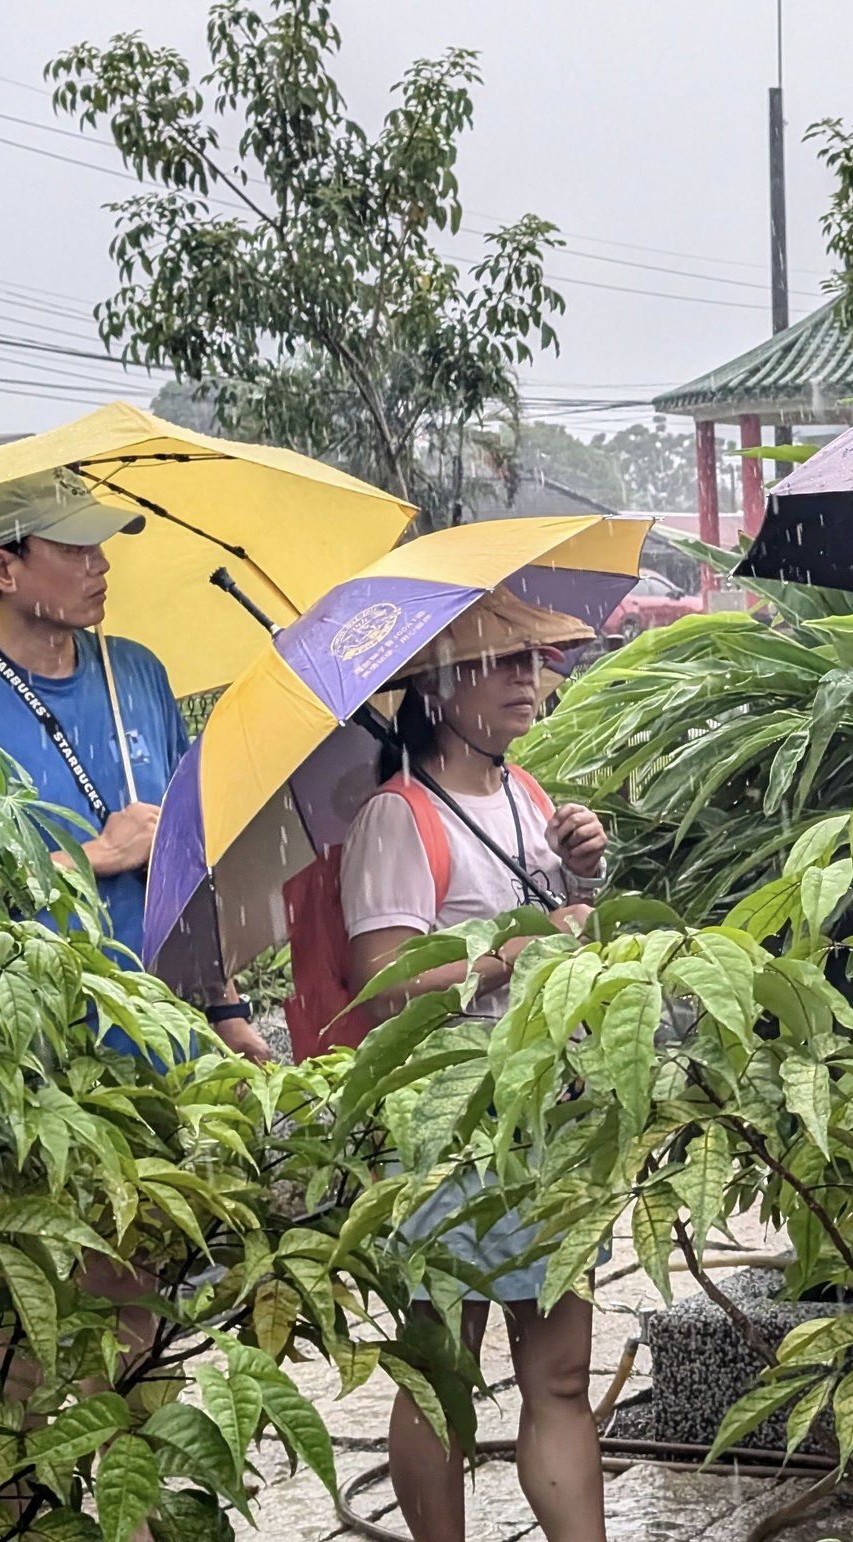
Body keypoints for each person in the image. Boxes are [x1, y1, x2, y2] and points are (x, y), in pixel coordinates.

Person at [339, 589, 611, 1542]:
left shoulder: (528, 795)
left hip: (550, 1116)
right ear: (434, 690)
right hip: (448, 1130)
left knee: (562, 1374)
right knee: (443, 1373)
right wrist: (521, 952)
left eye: (530, 661)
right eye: (499, 663)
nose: (526, 679)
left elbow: (564, 925)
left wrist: (581, 870)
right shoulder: (398, 818)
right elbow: (383, 981)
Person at [0, 468, 267, 1060]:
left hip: (172, 1035)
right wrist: (101, 856)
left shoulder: (136, 674)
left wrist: (225, 1008)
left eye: (100, 545)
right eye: (72, 548)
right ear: (2, 569)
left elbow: (182, 858)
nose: (100, 564)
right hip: (40, 1052)